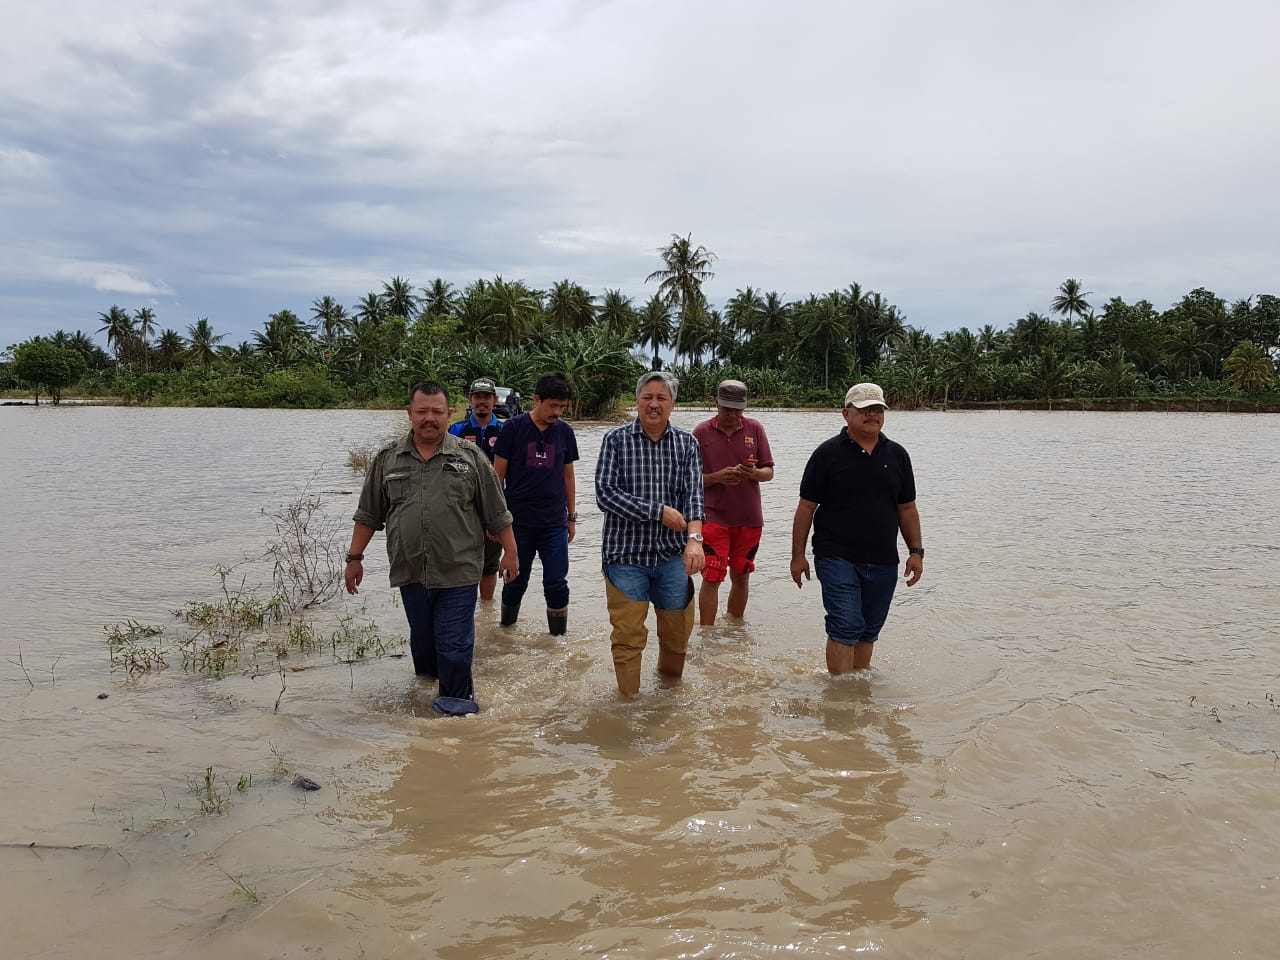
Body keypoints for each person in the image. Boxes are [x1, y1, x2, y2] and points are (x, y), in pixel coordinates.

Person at [346, 380, 518, 714]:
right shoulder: (388, 459)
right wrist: (355, 557)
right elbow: (368, 514)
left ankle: (456, 720)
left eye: (437, 412)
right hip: (410, 570)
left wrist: (511, 553)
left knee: (454, 646)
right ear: (409, 413)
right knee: (424, 649)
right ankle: (426, 699)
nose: (429, 418)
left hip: (459, 570)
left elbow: (497, 512)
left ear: (449, 412)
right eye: (421, 411)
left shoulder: (471, 458)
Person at [790, 382, 924, 674]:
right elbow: (806, 508)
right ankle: (839, 698)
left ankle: (856, 693)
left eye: (878, 409)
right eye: (864, 409)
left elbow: (907, 508)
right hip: (836, 554)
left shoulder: (898, 455)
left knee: (868, 629)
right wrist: (797, 556)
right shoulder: (827, 454)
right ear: (846, 414)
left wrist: (916, 552)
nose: (872, 415)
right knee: (846, 624)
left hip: (884, 559)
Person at [595, 371, 705, 697]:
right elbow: (605, 494)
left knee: (677, 635)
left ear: (673, 404)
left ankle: (668, 704)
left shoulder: (688, 443)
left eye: (661, 398)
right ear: (637, 401)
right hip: (625, 556)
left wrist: (695, 540)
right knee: (628, 637)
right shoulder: (615, 440)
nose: (653, 404)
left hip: (672, 556)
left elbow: (695, 498)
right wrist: (659, 512)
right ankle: (628, 708)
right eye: (647, 398)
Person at [492, 372, 580, 635]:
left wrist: (571, 516)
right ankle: (506, 632)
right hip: (518, 522)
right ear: (537, 400)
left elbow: (568, 475)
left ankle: (557, 642)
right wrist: (494, 520)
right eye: (553, 406)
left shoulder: (564, 432)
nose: (557, 412)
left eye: (562, 407)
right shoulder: (513, 428)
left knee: (556, 583)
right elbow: (497, 477)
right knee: (516, 581)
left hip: (554, 521)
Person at [692, 379, 775, 625]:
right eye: (727, 409)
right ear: (716, 404)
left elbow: (768, 471)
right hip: (713, 516)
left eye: (738, 409)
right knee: (712, 576)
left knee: (741, 574)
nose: (733, 415)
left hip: (749, 517)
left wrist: (755, 474)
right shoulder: (701, 432)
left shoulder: (755, 429)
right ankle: (707, 633)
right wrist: (717, 477)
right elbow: (687, 480)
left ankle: (734, 629)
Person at [448, 377, 506, 601]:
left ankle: (486, 611)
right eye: (478, 397)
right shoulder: (456, 430)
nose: (482, 401)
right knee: (460, 560)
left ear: (494, 400)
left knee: (490, 564)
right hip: (463, 506)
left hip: (495, 507)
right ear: (470, 400)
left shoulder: (506, 430)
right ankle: (463, 608)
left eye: (487, 397)